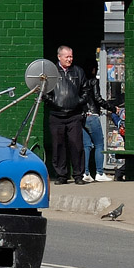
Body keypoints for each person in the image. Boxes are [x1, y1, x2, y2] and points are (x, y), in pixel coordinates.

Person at [43, 45, 96, 185]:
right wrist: (53, 102)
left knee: (77, 146)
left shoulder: (78, 71)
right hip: (56, 115)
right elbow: (43, 91)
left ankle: (78, 175)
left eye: (71, 56)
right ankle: (61, 176)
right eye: (67, 56)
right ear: (59, 57)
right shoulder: (51, 72)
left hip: (74, 116)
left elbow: (85, 89)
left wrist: (78, 101)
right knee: (58, 146)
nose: (70, 59)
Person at [80, 63, 115, 182]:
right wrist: (112, 108)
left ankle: (86, 173)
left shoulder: (80, 81)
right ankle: (100, 172)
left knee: (86, 146)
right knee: (99, 144)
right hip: (93, 116)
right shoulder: (93, 81)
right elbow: (98, 98)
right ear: (94, 69)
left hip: (83, 116)